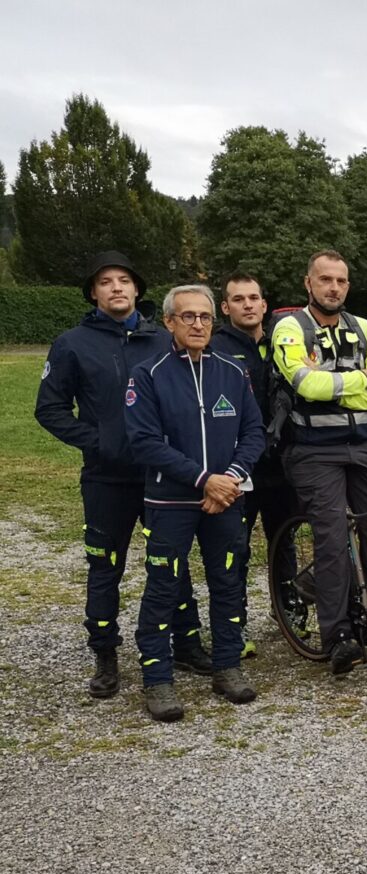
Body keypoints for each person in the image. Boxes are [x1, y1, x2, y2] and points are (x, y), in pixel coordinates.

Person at [35, 250, 207, 700]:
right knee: (104, 566)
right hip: (107, 478)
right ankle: (105, 653)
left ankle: (187, 643)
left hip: (162, 476)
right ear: (93, 292)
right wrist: (100, 442)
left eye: (124, 280)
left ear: (136, 289)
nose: (116, 287)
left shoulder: (162, 339)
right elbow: (49, 409)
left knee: (171, 562)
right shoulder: (72, 343)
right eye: (106, 281)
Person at [124, 285, 265, 721]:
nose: (198, 324)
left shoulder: (233, 371)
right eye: (188, 316)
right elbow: (145, 442)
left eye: (205, 317)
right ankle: (157, 678)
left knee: (228, 583)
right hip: (170, 500)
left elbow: (254, 432)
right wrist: (205, 480)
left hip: (226, 500)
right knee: (163, 587)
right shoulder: (148, 374)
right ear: (169, 322)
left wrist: (231, 479)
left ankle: (227, 666)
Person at [271, 250, 367, 675]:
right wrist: (362, 379)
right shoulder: (290, 328)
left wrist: (336, 389)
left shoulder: (364, 328)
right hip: (313, 451)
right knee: (332, 541)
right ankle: (338, 636)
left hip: (365, 446)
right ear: (308, 283)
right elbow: (305, 385)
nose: (333, 287)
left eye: (341, 280)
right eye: (325, 279)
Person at [210, 271, 294, 657]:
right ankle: (234, 622)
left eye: (253, 298)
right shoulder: (216, 347)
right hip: (238, 467)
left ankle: (289, 611)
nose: (248, 305)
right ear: (225, 307)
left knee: (284, 540)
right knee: (235, 547)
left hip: (282, 464)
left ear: (264, 304)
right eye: (238, 299)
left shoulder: (282, 342)